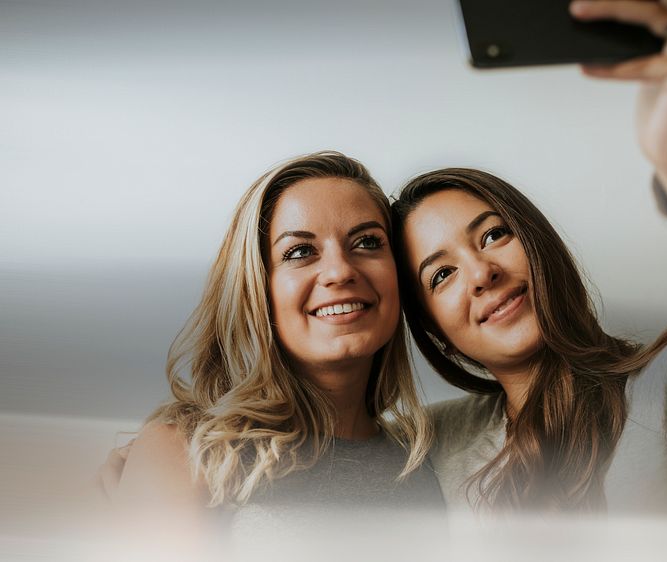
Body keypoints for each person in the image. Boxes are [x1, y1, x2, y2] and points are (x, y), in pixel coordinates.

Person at [389, 0, 667, 512]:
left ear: (538, 242)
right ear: (434, 331)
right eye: (441, 275)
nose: (481, 273)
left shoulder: (665, 390)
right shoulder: (428, 448)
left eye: (492, 236)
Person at [110, 152, 444, 552]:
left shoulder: (426, 461)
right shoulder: (187, 451)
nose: (340, 271)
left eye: (367, 242)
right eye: (300, 252)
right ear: (258, 288)